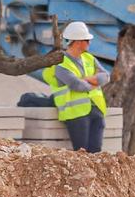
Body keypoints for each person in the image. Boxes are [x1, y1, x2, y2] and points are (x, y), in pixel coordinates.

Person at [42, 21, 109, 153]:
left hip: (96, 109)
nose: (89, 43)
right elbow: (76, 85)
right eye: (87, 40)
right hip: (76, 113)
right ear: (78, 42)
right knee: (81, 152)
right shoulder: (60, 63)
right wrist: (94, 82)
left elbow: (106, 76)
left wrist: (87, 79)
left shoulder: (89, 58)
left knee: (96, 152)